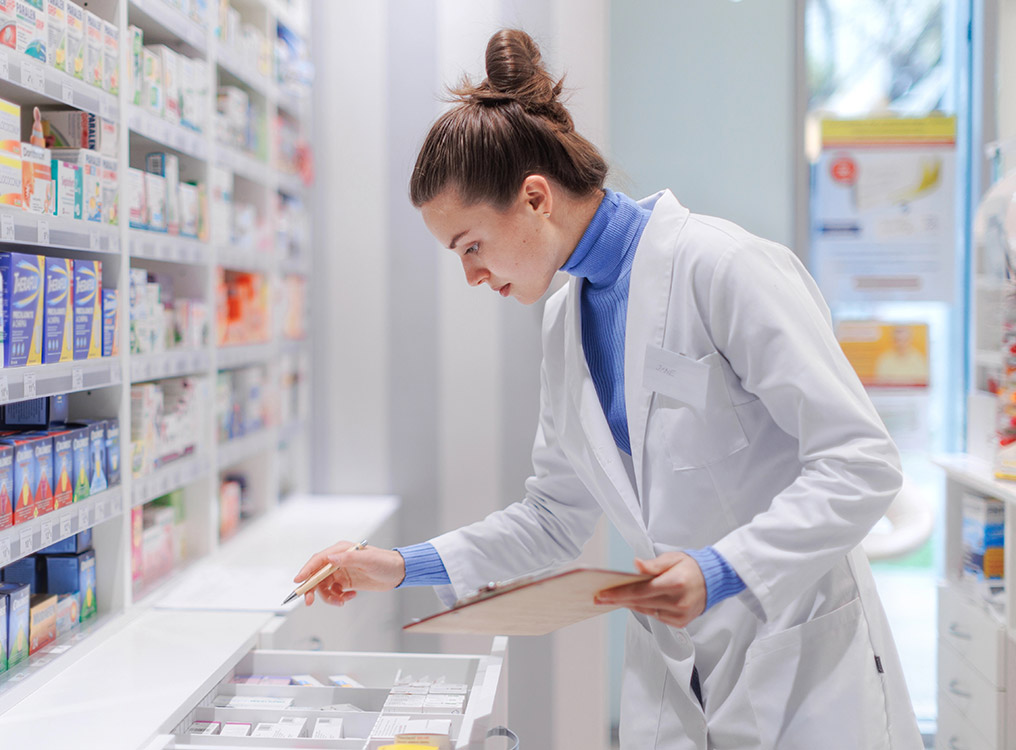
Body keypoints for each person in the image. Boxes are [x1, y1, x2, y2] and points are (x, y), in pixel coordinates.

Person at [293, 28, 921, 748]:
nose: (470, 275)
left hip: (802, 663)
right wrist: (398, 566)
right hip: (678, 673)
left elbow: (862, 463)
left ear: (534, 198)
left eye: (471, 246)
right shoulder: (567, 318)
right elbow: (555, 517)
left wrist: (721, 572)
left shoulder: (724, 267)